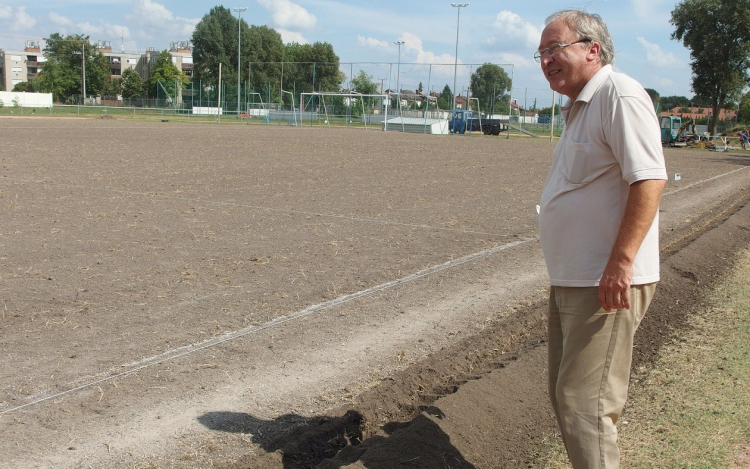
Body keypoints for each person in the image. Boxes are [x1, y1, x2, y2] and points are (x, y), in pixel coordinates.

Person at [536, 10, 668, 469]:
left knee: (585, 407)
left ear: (593, 49)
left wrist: (620, 263)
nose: (546, 59)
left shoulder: (619, 94)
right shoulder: (580, 108)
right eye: (542, 52)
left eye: (555, 48)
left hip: (605, 282)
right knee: (567, 398)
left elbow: (649, 179)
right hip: (576, 280)